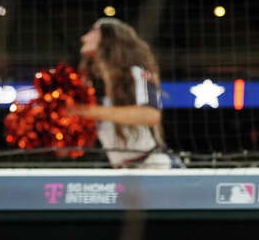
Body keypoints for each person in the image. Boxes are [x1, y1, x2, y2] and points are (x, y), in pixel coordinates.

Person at [70, 18, 181, 168]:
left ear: (109, 38)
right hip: (123, 174)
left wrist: (85, 111)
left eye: (93, 31)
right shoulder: (91, 84)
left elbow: (151, 114)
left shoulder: (136, 73)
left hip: (155, 168)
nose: (84, 37)